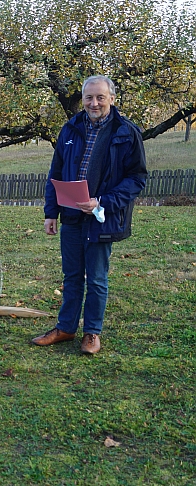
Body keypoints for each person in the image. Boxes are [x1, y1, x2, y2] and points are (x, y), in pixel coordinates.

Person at [31, 75, 147, 354]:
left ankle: (92, 333)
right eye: (88, 98)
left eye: (100, 97)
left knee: (96, 278)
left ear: (112, 99)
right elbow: (55, 174)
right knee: (71, 276)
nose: (94, 103)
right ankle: (66, 328)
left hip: (101, 217)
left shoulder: (126, 132)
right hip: (71, 217)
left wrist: (102, 202)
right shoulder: (70, 129)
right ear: (82, 100)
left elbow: (137, 178)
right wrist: (51, 212)